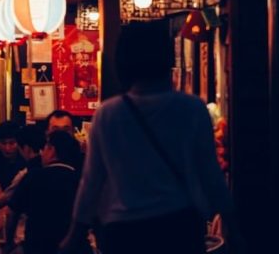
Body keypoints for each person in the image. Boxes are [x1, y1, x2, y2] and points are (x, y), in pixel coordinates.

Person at [60, 21, 241, 254]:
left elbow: (92, 181)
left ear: (123, 63)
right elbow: (211, 175)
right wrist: (233, 229)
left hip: (124, 232)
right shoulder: (191, 109)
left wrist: (75, 234)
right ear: (168, 59)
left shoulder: (109, 114)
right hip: (178, 227)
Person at [9, 130, 90, 254]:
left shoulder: (33, 177)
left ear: (52, 150)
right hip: (75, 249)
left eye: (45, 148)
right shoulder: (81, 181)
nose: (42, 153)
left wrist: (9, 243)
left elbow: (12, 213)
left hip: (37, 247)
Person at [0, 123, 46, 212]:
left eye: (12, 143)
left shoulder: (26, 159)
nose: (7, 148)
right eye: (3, 143)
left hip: (19, 205)